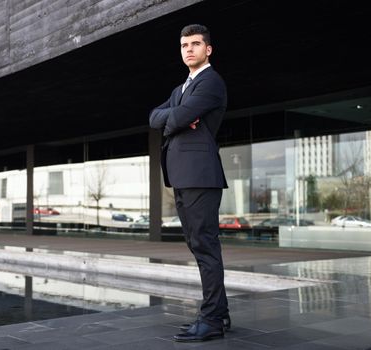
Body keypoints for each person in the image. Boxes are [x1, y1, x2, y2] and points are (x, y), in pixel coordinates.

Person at [149, 24, 230, 342]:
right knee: (199, 245)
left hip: (200, 174)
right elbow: (155, 117)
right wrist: (175, 116)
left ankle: (210, 320)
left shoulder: (211, 82)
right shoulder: (181, 88)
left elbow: (175, 120)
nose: (189, 49)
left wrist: (175, 118)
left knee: (205, 246)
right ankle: (219, 313)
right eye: (184, 45)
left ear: (208, 49)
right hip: (185, 174)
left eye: (196, 44)